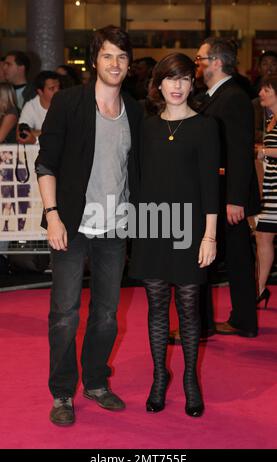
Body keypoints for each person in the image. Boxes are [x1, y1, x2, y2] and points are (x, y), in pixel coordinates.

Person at [35, 25, 142, 426]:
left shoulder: (133, 109)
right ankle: (63, 391)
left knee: (107, 314)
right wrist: (53, 216)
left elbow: (135, 172)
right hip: (71, 225)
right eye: (108, 55)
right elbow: (45, 162)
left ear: (129, 65)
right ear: (95, 60)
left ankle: (96, 381)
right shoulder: (68, 103)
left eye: (122, 57)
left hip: (115, 228)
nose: (115, 63)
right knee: (64, 314)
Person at [129, 53, 220, 417]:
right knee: (155, 308)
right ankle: (158, 377)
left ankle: (189, 380)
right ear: (159, 84)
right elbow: (136, 179)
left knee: (188, 309)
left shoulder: (205, 126)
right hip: (151, 226)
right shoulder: (146, 126)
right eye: (170, 78)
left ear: (191, 83)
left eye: (184, 78)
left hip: (190, 229)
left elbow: (211, 185)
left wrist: (209, 235)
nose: (177, 86)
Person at [193, 37, 260, 338]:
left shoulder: (232, 97)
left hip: (227, 196)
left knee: (219, 259)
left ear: (217, 63)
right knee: (236, 259)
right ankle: (240, 320)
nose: (196, 64)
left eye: (200, 59)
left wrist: (235, 199)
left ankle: (206, 324)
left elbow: (239, 151)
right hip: (221, 192)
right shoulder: (215, 96)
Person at [255, 74, 277, 308]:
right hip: (271, 188)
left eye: (266, 90)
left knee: (264, 236)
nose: (261, 93)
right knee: (263, 236)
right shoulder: (270, 119)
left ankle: (259, 289)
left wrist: (264, 151)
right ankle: (259, 289)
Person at [17, 71, 60, 145]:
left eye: (58, 87)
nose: (57, 91)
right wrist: (52, 132)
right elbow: (21, 134)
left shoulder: (66, 103)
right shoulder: (31, 106)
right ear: (40, 91)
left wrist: (35, 133)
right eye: (52, 88)